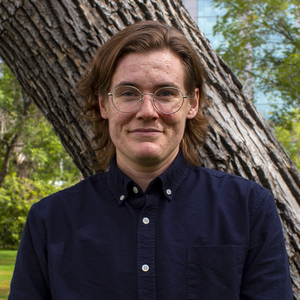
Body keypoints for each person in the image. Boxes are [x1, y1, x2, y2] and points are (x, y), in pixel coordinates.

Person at [9, 21, 292, 300]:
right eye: (129, 93)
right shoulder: (49, 221)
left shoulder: (249, 209)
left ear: (192, 103)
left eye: (165, 93)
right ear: (104, 103)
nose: (147, 111)